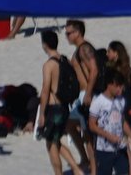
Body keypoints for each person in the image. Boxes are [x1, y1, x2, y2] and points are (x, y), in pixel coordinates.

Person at [37, 29, 88, 175]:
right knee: (56, 140)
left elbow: (45, 90)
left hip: (54, 109)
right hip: (65, 107)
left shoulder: (49, 65)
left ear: (45, 45)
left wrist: (41, 114)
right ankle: (77, 169)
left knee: (51, 145)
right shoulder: (64, 60)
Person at [88, 69, 131, 175]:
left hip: (120, 147)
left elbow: (123, 121)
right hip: (104, 149)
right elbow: (92, 125)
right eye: (118, 86)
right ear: (109, 85)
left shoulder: (121, 100)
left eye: (122, 86)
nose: (120, 89)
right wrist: (108, 136)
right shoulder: (98, 102)